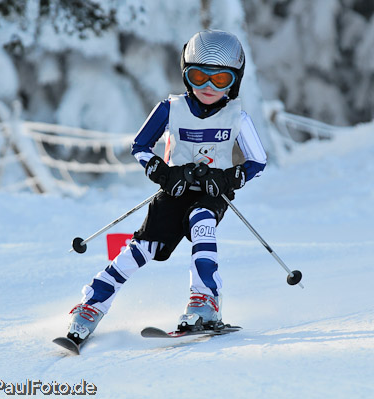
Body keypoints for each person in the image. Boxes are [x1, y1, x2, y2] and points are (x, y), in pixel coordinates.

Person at [66, 30, 268, 345]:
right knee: (144, 247)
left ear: (235, 81)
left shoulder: (237, 117)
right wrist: (162, 172)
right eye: (199, 76)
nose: (207, 87)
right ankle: (92, 304)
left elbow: (258, 161)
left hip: (211, 193)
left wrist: (228, 179)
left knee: (202, 220)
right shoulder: (171, 108)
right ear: (186, 75)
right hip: (174, 190)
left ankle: (205, 302)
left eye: (220, 80)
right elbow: (140, 145)